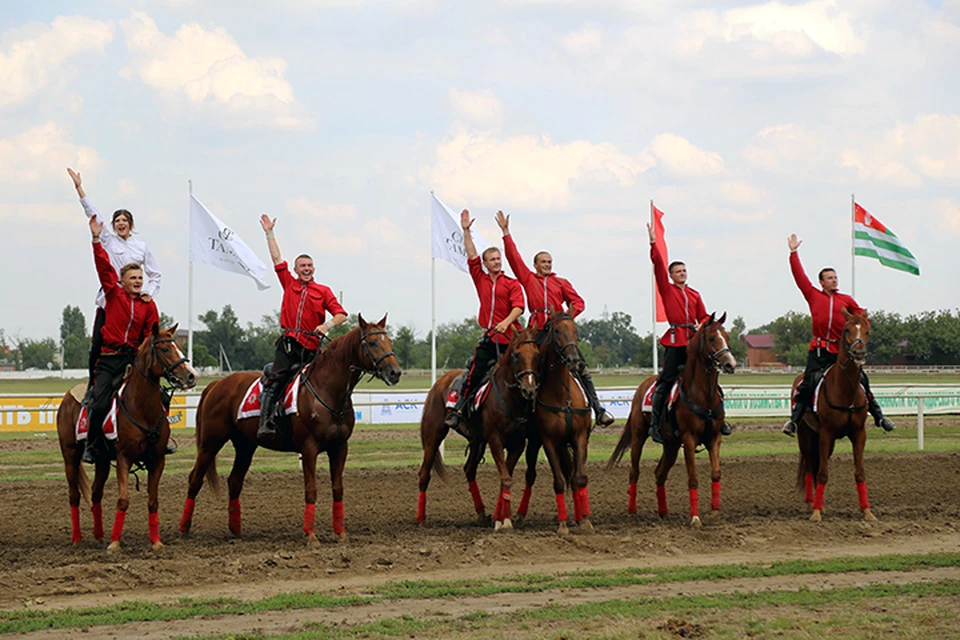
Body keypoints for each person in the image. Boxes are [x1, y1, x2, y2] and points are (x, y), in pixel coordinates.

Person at [67, 168, 173, 455]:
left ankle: (161, 435)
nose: (120, 224)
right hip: (110, 303)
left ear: (132, 225)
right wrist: (80, 189)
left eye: (125, 220)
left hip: (136, 309)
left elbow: (156, 275)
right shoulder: (108, 241)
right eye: (117, 220)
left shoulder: (141, 247)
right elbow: (93, 216)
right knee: (96, 348)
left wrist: (150, 293)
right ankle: (94, 390)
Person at [495, 211, 615, 427]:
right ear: (535, 265)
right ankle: (524, 416)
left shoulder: (561, 282)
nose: (548, 265)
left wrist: (565, 317)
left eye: (550, 261)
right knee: (528, 367)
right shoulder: (528, 279)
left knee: (581, 368)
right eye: (543, 262)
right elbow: (514, 258)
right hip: (537, 332)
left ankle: (598, 408)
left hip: (558, 332)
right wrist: (506, 233)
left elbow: (579, 302)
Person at [782, 234, 896, 436]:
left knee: (862, 381)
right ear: (821, 282)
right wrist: (793, 253)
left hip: (842, 353)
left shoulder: (846, 300)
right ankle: (794, 421)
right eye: (829, 278)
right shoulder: (813, 295)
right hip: (819, 352)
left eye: (835, 277)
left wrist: (860, 328)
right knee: (807, 383)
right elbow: (799, 276)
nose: (834, 280)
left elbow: (862, 318)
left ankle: (879, 417)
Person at [257, 214, 347, 443]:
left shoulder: (323, 291)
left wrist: (326, 325)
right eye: (302, 266)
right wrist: (269, 233)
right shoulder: (288, 282)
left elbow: (341, 315)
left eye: (309, 266)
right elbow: (276, 257)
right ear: (296, 270)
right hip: (288, 346)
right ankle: (265, 422)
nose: (306, 269)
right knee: (276, 379)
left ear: (313, 268)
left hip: (312, 348)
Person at [82, 216, 160, 463]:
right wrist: (96, 239)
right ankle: (92, 446)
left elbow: (150, 336)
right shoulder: (113, 294)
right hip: (109, 360)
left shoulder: (149, 305)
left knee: (160, 396)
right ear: (122, 281)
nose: (138, 281)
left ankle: (159, 441)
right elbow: (103, 265)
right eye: (133, 278)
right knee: (100, 402)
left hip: (134, 361)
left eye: (140, 278)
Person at [647, 223, 733, 443]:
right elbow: (658, 266)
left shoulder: (695, 294)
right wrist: (654, 244)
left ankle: (720, 420)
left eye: (684, 271)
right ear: (671, 275)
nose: (682, 274)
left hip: (693, 343)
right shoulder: (667, 290)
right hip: (676, 342)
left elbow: (704, 316)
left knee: (710, 377)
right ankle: (656, 425)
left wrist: (702, 326)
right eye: (678, 271)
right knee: (665, 382)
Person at [444, 210, 526, 429]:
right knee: (474, 371)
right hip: (491, 339)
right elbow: (471, 255)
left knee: (530, 370)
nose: (497, 262)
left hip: (511, 339)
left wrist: (506, 322)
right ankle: (459, 409)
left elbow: (519, 307)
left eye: (499, 259)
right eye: (492, 259)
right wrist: (466, 231)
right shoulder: (480, 277)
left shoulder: (512, 283)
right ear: (486, 263)